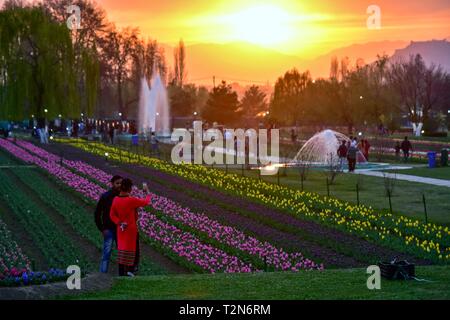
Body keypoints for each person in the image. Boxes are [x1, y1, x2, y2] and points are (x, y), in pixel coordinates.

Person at [110, 179, 151, 277]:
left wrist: (119, 223)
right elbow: (146, 202)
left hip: (121, 229)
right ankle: (130, 271)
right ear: (129, 188)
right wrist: (147, 192)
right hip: (131, 230)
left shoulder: (116, 199)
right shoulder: (131, 200)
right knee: (133, 250)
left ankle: (121, 273)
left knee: (122, 249)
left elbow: (112, 215)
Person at [95, 175, 123, 273]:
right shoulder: (106, 196)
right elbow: (97, 213)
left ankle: (122, 275)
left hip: (120, 230)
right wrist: (102, 229)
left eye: (121, 183)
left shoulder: (124, 197)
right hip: (109, 230)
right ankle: (102, 275)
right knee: (106, 253)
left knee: (122, 253)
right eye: (117, 183)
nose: (119, 185)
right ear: (112, 184)